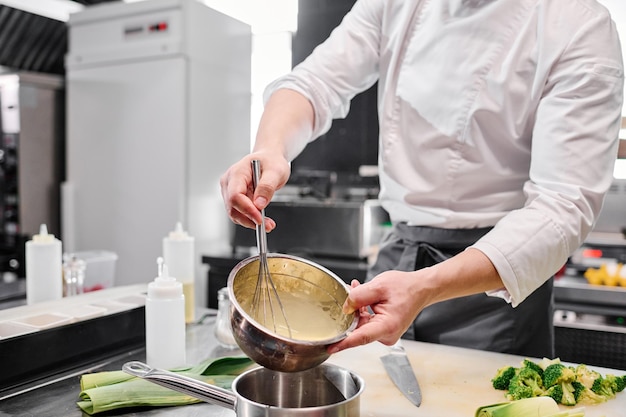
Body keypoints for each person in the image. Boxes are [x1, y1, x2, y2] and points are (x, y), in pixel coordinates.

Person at [220, 0, 624, 358]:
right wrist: (270, 148)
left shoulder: (577, 24)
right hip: (397, 261)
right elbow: (315, 82)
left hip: (491, 284)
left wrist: (427, 286)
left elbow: (562, 207)